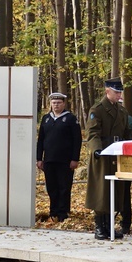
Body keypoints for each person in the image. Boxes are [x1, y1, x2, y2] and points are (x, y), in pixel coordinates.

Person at [85, 77, 132, 240]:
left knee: (117, 191)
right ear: (107, 91)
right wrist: (97, 150)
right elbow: (93, 133)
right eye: (116, 92)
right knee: (102, 191)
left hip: (117, 153)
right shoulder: (98, 109)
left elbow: (127, 132)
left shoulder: (121, 111)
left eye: (120, 92)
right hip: (103, 155)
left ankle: (110, 226)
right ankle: (100, 226)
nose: (119, 95)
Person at [37, 92, 82, 222]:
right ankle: (53, 211)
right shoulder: (46, 118)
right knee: (51, 186)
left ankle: (63, 213)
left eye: (58, 103)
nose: (56, 105)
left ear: (64, 104)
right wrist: (39, 158)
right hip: (49, 160)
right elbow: (41, 140)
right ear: (50, 104)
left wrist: (75, 159)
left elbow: (77, 140)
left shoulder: (70, 119)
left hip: (65, 160)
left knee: (64, 187)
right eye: (54, 103)